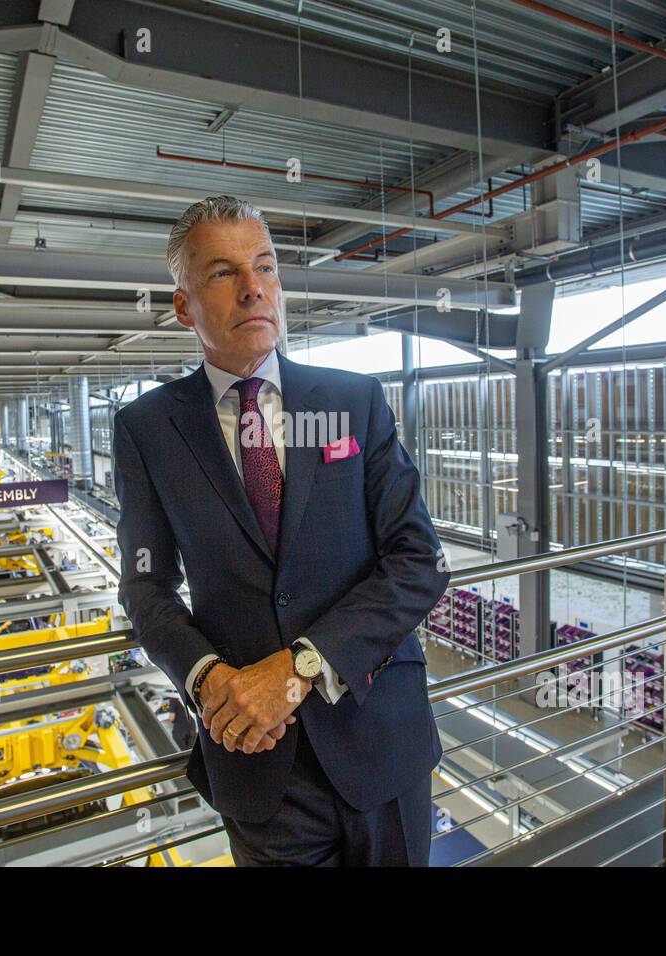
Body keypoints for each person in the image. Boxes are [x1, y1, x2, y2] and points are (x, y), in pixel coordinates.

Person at [113, 196, 449, 866]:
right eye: (223, 273)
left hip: (379, 735)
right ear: (184, 306)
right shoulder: (149, 429)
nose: (254, 287)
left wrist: (301, 667)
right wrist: (208, 680)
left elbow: (420, 561)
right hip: (257, 762)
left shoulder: (353, 401)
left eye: (264, 267)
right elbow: (146, 587)